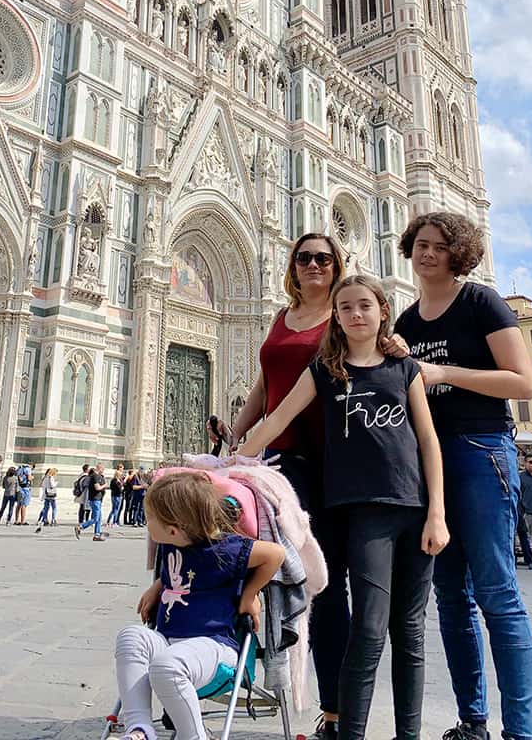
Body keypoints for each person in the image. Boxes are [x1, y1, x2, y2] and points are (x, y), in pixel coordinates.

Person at [239, 275, 448, 740]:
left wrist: (437, 512)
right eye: (346, 307)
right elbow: (276, 418)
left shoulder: (405, 369)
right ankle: (350, 732)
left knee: (410, 632)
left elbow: (428, 441)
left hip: (412, 508)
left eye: (365, 306)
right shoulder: (323, 372)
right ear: (335, 316)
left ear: (382, 312)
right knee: (370, 628)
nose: (356, 314)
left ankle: (407, 735)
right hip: (362, 510)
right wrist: (233, 460)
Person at [395, 211, 532, 740]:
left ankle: (520, 731)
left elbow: (523, 384)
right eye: (420, 245)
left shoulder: (481, 302)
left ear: (459, 253)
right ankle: (471, 720)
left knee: (498, 593)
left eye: (438, 246)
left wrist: (443, 373)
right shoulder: (406, 323)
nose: (427, 253)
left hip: (482, 451)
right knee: (451, 598)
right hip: (430, 464)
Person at [209, 233, 356, 738]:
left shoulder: (345, 315)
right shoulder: (281, 316)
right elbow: (264, 386)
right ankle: (214, 673)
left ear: (338, 266)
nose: (313, 264)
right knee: (248, 567)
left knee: (325, 585)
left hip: (329, 463)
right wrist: (235, 436)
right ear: (292, 266)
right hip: (275, 463)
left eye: (323, 258)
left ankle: (335, 711)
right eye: (304, 258)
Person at [114, 472, 285, 740]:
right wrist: (158, 585)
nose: (146, 524)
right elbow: (182, 572)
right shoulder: (172, 544)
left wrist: (250, 594)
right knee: (131, 637)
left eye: (149, 519)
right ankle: (140, 729)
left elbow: (276, 554)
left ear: (173, 529)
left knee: (167, 666)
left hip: (214, 648)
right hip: (169, 642)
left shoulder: (224, 550)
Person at [76, 462, 106, 541]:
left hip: (97, 499)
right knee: (95, 518)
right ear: (99, 468)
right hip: (95, 499)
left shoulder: (97, 476)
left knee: (99, 518)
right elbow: (97, 488)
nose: (103, 471)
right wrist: (104, 485)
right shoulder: (95, 476)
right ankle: (81, 526)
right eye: (102, 469)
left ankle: (97, 535)